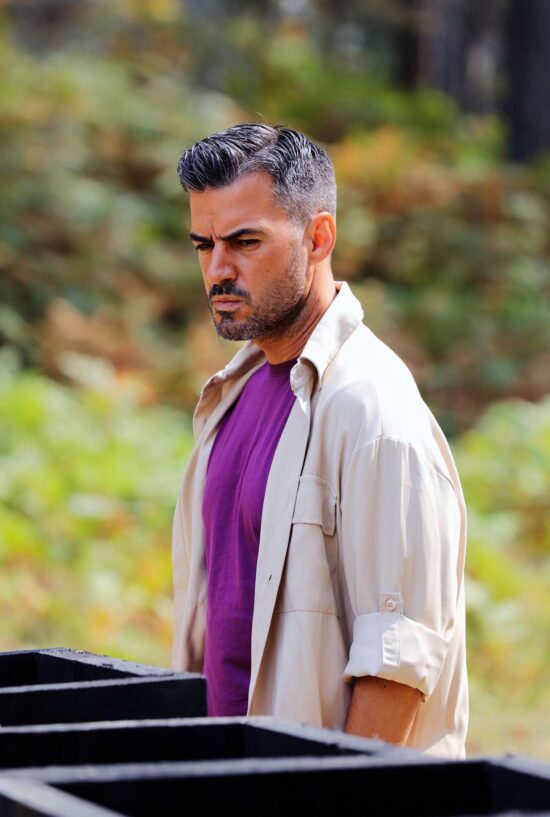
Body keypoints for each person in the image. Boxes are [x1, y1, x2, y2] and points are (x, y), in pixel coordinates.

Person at [171, 123, 468, 758]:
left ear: (318, 237)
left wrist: (329, 797)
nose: (218, 270)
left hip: (317, 793)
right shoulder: (232, 396)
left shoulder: (372, 411)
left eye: (245, 242)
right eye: (204, 245)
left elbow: (399, 662)